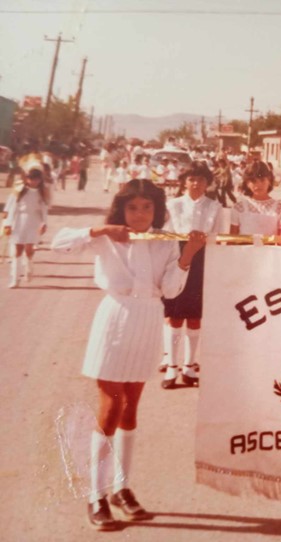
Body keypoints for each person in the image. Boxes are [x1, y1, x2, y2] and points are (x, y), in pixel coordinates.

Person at [51, 179, 206, 531]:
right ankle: (96, 494)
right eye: (133, 208)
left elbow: (169, 289)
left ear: (157, 210)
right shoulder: (107, 236)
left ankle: (121, 488)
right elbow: (59, 245)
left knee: (131, 407)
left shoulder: (164, 242)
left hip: (149, 320)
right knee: (110, 406)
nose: (139, 214)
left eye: (147, 208)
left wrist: (187, 255)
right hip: (115, 319)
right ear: (122, 209)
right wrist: (99, 229)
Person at [160, 161, 222, 389]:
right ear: (184, 182)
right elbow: (164, 235)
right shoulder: (172, 204)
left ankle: (189, 365)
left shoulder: (214, 207)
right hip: (176, 259)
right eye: (192, 179)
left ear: (207, 183)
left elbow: (218, 237)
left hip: (202, 262)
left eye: (201, 180)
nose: (196, 184)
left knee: (195, 316)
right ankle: (171, 367)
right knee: (175, 315)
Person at [3, 159, 50, 288]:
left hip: (33, 221)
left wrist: (44, 223)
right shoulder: (19, 189)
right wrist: (7, 223)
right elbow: (12, 206)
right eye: (31, 179)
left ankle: (29, 266)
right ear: (26, 178)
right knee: (18, 249)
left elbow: (44, 209)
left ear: (40, 180)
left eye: (36, 179)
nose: (33, 181)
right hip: (19, 221)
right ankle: (15, 278)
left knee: (29, 249)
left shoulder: (42, 192)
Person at [229, 160, 281, 236]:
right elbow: (231, 241)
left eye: (262, 180)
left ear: (269, 181)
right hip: (243, 248)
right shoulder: (239, 208)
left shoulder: (279, 208)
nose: (258, 185)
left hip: (270, 248)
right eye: (253, 181)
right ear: (247, 183)